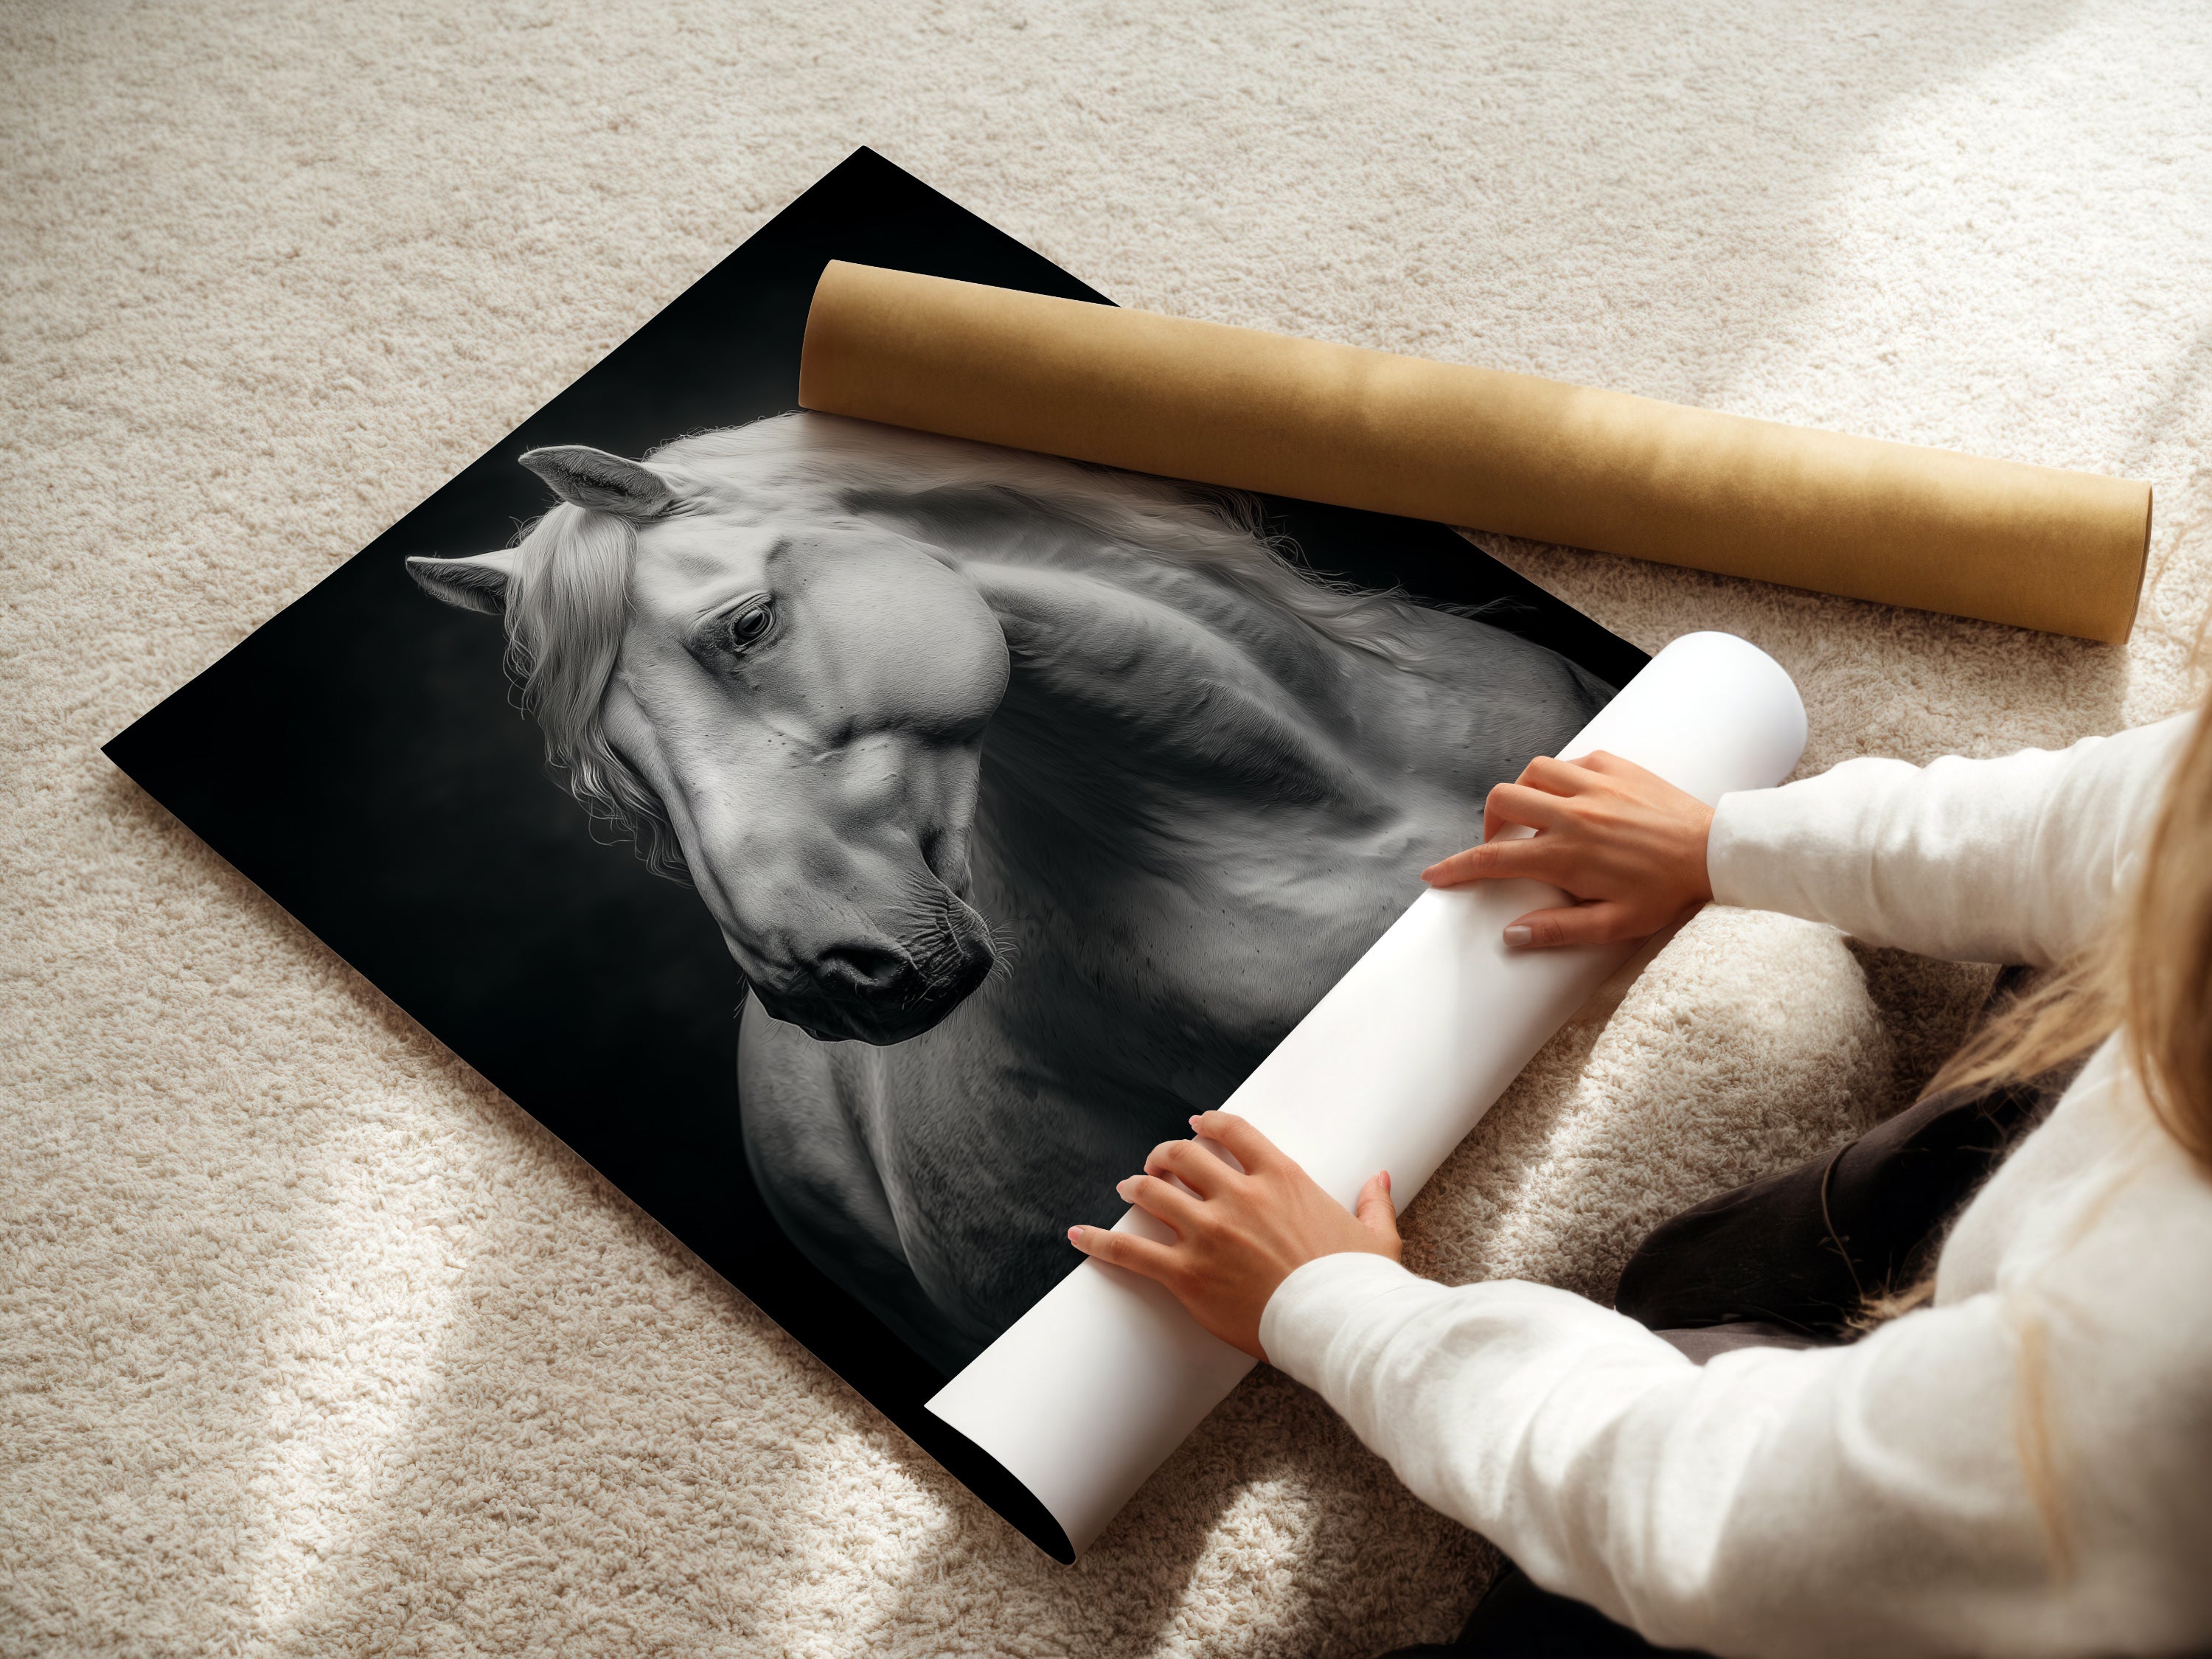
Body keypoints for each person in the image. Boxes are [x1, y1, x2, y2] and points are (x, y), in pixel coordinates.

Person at [1068, 706, 2212, 1657]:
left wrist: (1338, 1306)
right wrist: (1722, 841)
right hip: (2071, 1315)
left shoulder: (2159, 1374)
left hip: (2059, 1550)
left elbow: (1716, 1512)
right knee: (1697, 1275)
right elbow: (2123, 817)